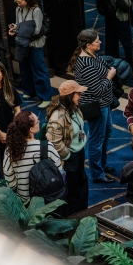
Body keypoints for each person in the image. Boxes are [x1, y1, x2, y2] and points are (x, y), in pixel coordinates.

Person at [68, 29, 116, 183]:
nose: (100, 42)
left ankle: (101, 165)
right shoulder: (86, 63)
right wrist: (109, 77)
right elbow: (97, 90)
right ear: (88, 45)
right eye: (97, 41)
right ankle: (97, 173)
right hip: (96, 106)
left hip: (104, 104)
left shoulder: (92, 55)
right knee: (96, 139)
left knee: (106, 133)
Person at [46, 80, 89, 215]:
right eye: (78, 94)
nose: (80, 96)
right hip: (70, 156)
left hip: (78, 152)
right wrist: (67, 155)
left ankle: (82, 211)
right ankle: (74, 216)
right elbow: (53, 140)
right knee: (73, 189)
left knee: (81, 181)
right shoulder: (58, 116)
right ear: (70, 96)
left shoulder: (73, 108)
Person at [4, 111, 63, 202]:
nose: (39, 122)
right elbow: (59, 171)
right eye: (37, 121)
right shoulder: (47, 147)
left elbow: (10, 181)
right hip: (46, 199)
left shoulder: (10, 151)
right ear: (31, 129)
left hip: (24, 201)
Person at [8, 0, 52, 109]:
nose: (18, 4)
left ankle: (45, 97)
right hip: (23, 43)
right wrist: (15, 29)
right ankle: (29, 90)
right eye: (17, 2)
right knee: (24, 68)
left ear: (27, 0)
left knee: (39, 70)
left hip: (35, 43)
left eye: (20, 2)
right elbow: (19, 24)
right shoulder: (18, 9)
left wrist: (21, 29)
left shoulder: (36, 10)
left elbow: (37, 30)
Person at [102, 0, 133, 68]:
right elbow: (128, 3)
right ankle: (132, 64)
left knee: (111, 43)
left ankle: (111, 64)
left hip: (109, 17)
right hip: (120, 17)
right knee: (127, 42)